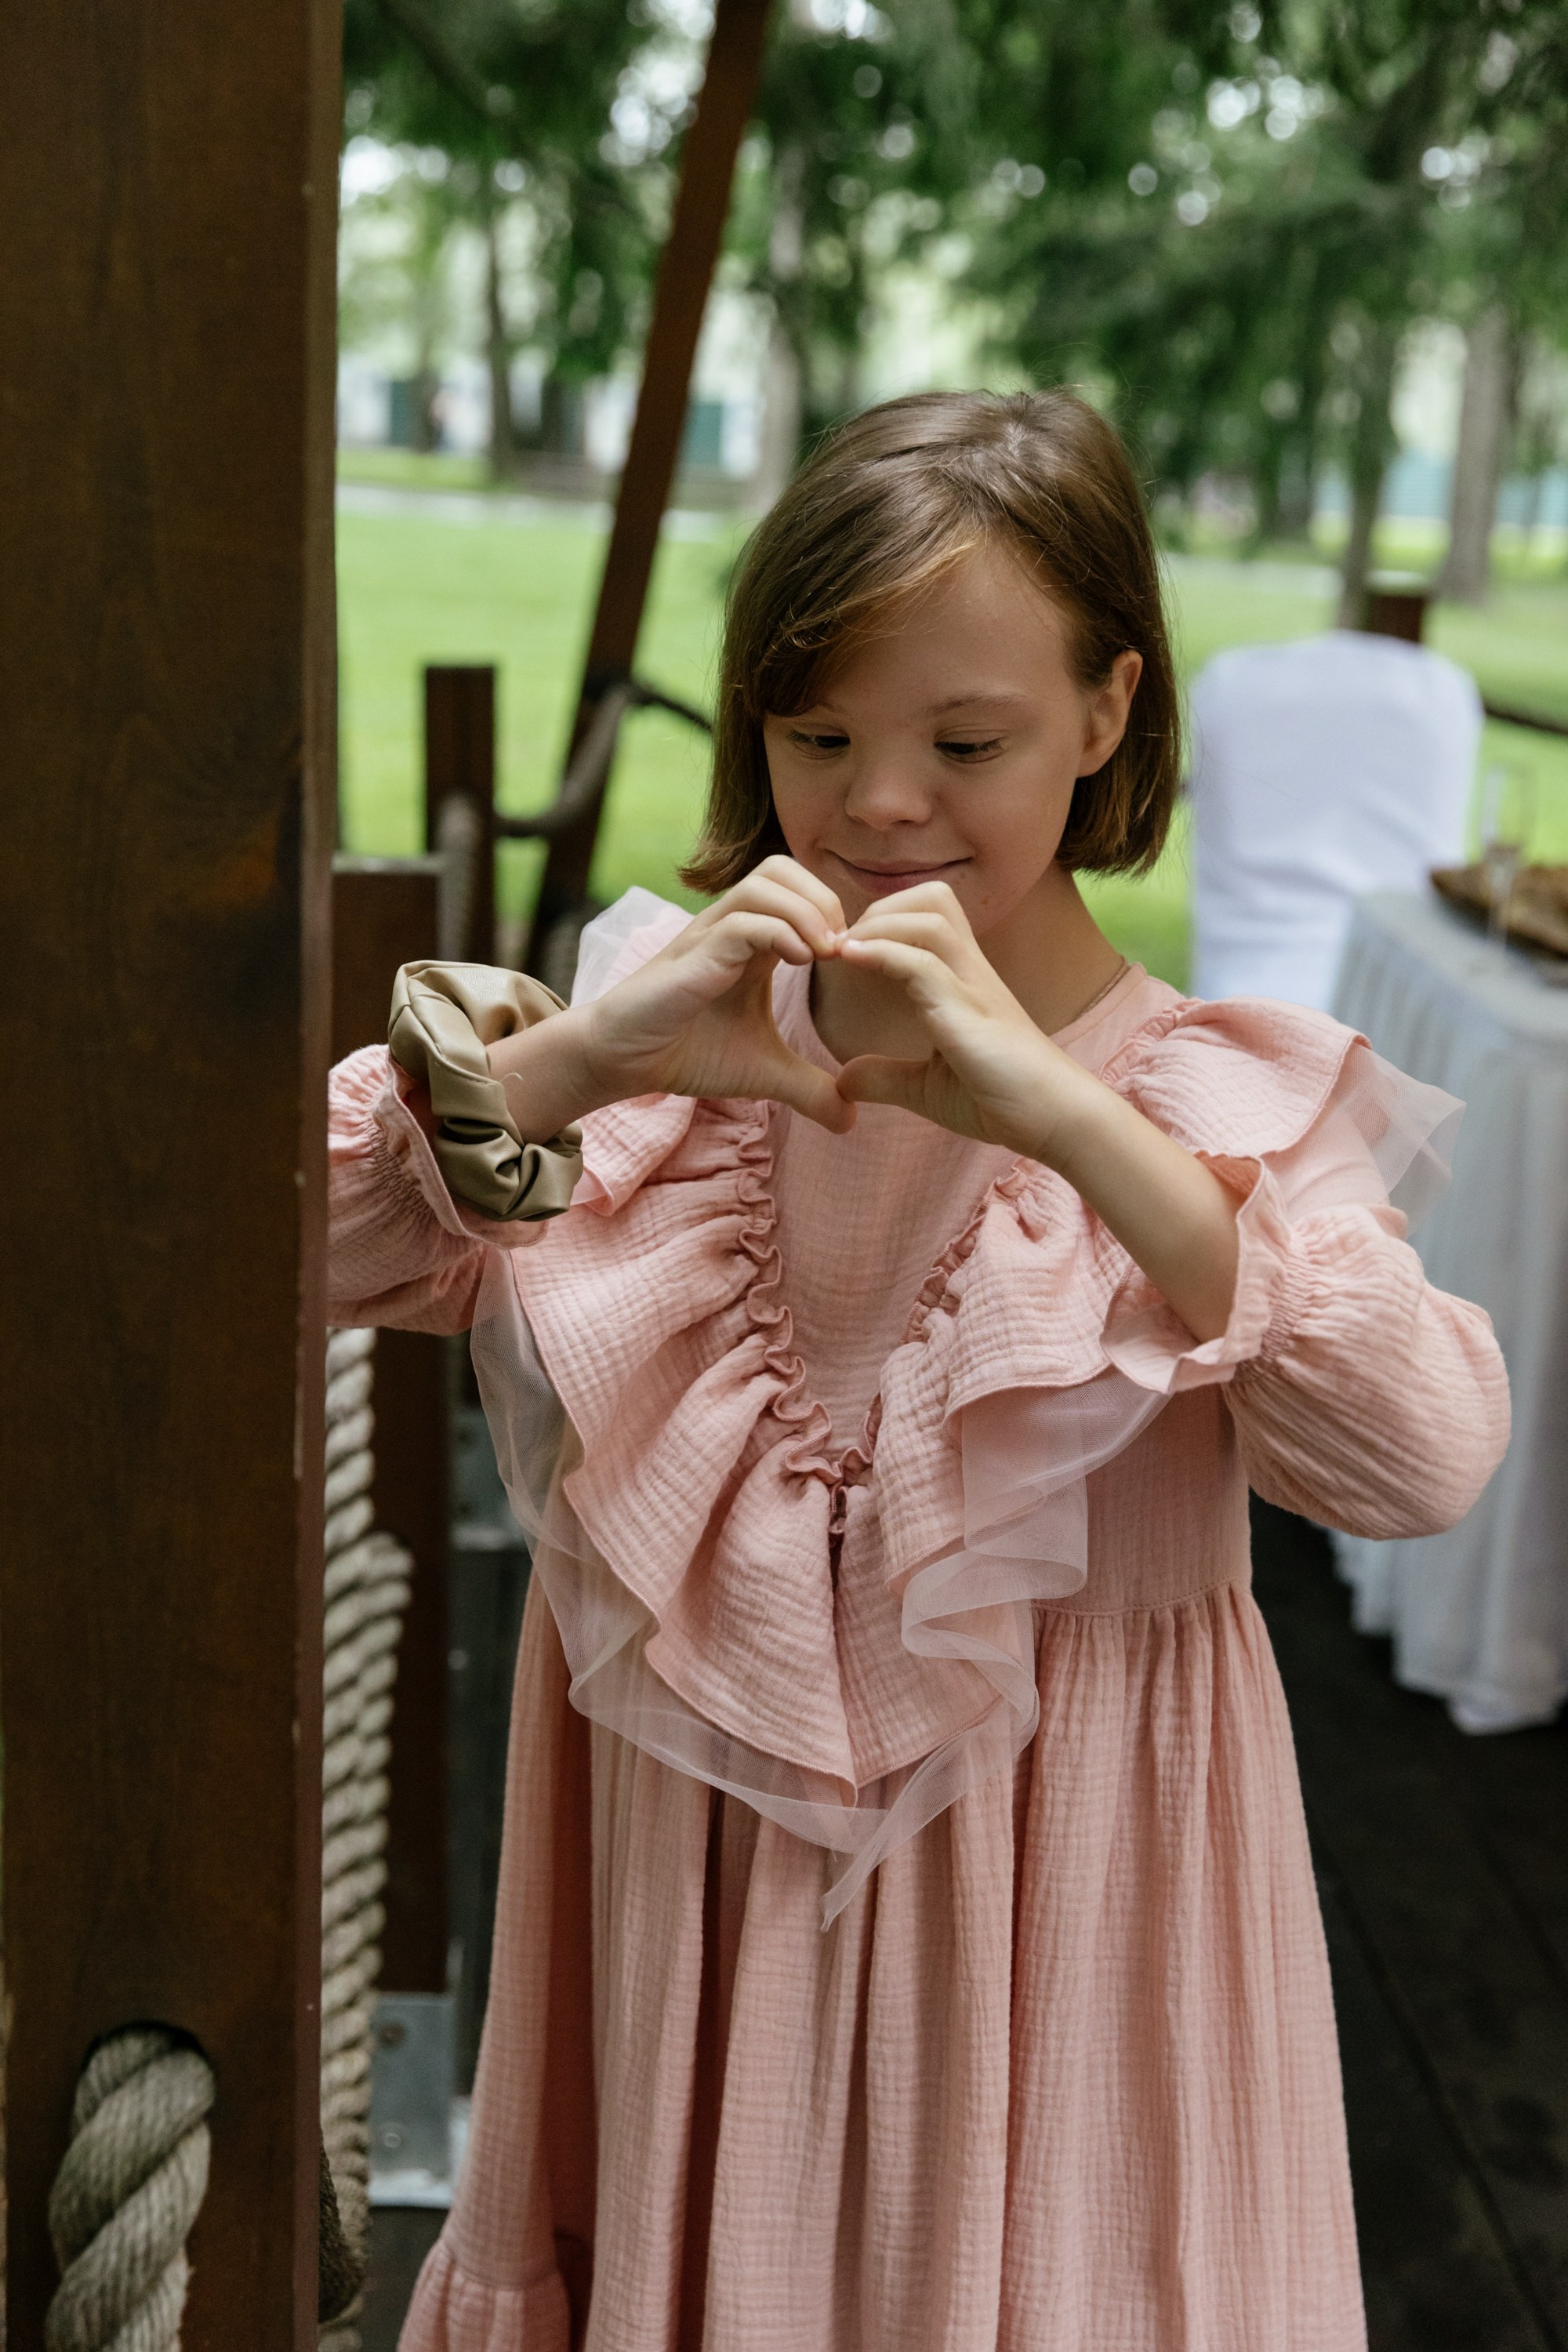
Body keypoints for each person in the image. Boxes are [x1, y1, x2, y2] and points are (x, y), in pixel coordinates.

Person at [328, 390, 1509, 2352]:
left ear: (1108, 713)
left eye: (968, 742)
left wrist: (1069, 1117)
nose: (880, 803)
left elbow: (1418, 1455)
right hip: (677, 1909)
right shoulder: (679, 1049)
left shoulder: (1206, 1109)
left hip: (1073, 1929)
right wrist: (594, 1060)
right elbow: (296, 1241)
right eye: (817, 736)